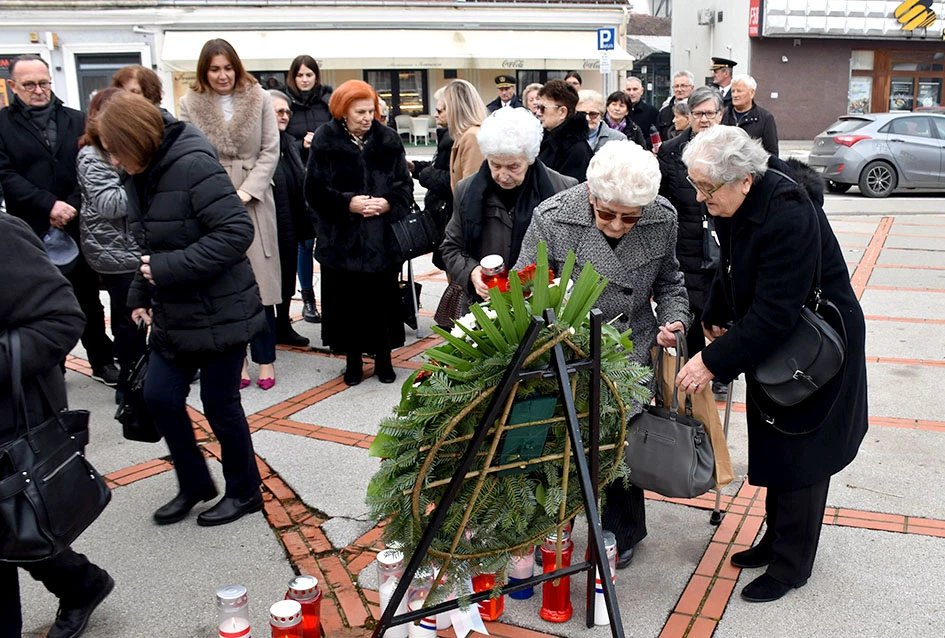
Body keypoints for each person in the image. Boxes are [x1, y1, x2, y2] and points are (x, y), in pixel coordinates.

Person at [677, 125, 867, 602]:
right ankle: (776, 538)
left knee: (802, 452)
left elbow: (776, 312)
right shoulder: (736, 199)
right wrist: (716, 311)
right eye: (696, 185)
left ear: (744, 179)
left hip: (815, 347)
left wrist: (710, 363)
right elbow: (731, 264)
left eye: (707, 188)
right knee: (776, 442)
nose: (700, 198)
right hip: (779, 342)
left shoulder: (789, 212)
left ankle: (791, 565)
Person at [515, 140, 691, 568]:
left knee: (620, 443)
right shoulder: (553, 216)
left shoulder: (662, 216)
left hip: (631, 346)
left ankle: (623, 530)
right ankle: (550, 527)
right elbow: (525, 286)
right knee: (560, 442)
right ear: (591, 194)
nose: (616, 226)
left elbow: (670, 282)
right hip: (568, 346)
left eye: (630, 218)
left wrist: (675, 321)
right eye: (607, 214)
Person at [98, 90, 267, 527]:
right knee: (159, 396)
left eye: (116, 151)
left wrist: (165, 270)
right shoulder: (141, 172)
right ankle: (194, 483)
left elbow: (235, 232)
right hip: (175, 311)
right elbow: (154, 243)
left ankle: (245, 491)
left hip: (221, 308)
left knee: (220, 404)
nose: (114, 161)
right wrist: (140, 292)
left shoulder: (192, 163)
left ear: (136, 139)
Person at [0, 207, 114, 638]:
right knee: (15, 528)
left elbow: (62, 318)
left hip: (10, 426)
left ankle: (81, 584)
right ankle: (81, 583)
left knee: (16, 518)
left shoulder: (3, 235)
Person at [0, 54, 118, 387]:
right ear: (13, 86)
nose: (39, 90)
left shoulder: (77, 119)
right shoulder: (2, 125)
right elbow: (5, 174)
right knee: (37, 302)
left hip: (76, 222)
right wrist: (48, 205)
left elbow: (91, 167)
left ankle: (101, 360)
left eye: (44, 83)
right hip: (31, 227)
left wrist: (70, 205)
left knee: (88, 299)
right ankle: (53, 367)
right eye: (29, 85)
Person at [179, 39, 281, 390]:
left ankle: (266, 359)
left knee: (261, 284)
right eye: (214, 69)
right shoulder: (189, 103)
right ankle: (236, 361)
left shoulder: (260, 97)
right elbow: (186, 153)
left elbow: (270, 149)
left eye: (227, 68)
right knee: (222, 285)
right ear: (204, 72)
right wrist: (216, 194)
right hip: (209, 197)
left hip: (255, 197)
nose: (222, 76)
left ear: (236, 68)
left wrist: (247, 190)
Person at [304, 80, 413, 386]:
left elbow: (404, 186)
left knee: (382, 302)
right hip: (342, 241)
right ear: (343, 112)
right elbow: (313, 191)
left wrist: (388, 203)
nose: (368, 117)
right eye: (360, 112)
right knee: (347, 304)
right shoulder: (326, 139)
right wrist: (346, 204)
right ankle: (352, 361)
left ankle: (384, 359)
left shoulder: (388, 139)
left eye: (371, 111)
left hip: (381, 240)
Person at [440, 107, 577, 306]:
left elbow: (573, 255)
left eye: (513, 166)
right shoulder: (467, 189)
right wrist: (472, 272)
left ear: (530, 158)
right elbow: (451, 247)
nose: (503, 176)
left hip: (542, 305)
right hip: (484, 305)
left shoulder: (563, 189)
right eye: (495, 165)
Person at [76, 87, 147, 400]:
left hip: (136, 246)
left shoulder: (132, 148)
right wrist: (141, 179)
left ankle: (146, 372)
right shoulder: (91, 155)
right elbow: (109, 204)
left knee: (144, 314)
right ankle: (130, 386)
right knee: (128, 319)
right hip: (113, 250)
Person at [657, 86, 724, 372]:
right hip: (685, 245)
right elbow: (662, 200)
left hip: (723, 244)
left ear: (721, 115)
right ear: (690, 116)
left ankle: (721, 372)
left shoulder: (733, 149)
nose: (704, 119)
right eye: (698, 114)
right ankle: (693, 371)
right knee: (690, 312)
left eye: (710, 113)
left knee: (723, 314)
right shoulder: (671, 150)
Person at [283, 54, 331, 324]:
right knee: (304, 242)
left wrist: (321, 140)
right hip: (297, 179)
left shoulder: (327, 101)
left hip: (326, 179)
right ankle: (308, 299)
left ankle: (331, 298)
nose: (304, 80)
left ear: (316, 76)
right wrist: (299, 144)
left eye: (309, 75)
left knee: (328, 239)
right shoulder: (285, 103)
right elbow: (278, 137)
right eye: (300, 75)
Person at [268, 89, 313, 347]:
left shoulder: (288, 144)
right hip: (267, 226)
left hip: (290, 225)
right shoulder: (260, 145)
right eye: (279, 111)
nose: (284, 116)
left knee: (287, 278)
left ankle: (283, 325)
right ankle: (266, 330)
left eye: (287, 112)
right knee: (268, 281)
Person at [408, 87, 453, 269]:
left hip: (450, 216)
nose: (435, 115)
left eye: (439, 110)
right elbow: (438, 166)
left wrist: (425, 174)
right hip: (442, 216)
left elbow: (453, 179)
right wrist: (415, 167)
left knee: (453, 272)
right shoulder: (447, 136)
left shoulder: (459, 139)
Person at [536, 79, 595, 182]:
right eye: (537, 107)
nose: (538, 113)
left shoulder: (576, 151)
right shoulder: (545, 139)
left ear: (562, 112)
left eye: (542, 108)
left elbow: (566, 189)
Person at [444, 79, 489, 189]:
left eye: (445, 107)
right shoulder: (464, 135)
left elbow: (471, 188)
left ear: (455, 108)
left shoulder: (472, 137)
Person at [722, 74, 779, 156]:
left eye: (739, 91)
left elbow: (772, 153)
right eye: (733, 91)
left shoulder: (765, 118)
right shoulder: (723, 115)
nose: (735, 95)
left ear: (752, 93)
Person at [578, 89, 626, 153]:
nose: (587, 118)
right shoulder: (566, 137)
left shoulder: (618, 139)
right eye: (582, 114)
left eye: (593, 114)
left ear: (601, 114)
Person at [657, 70, 695, 141]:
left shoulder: (697, 110)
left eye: (683, 86)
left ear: (692, 88)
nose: (679, 89)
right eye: (676, 86)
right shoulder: (664, 112)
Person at [624, 76, 660, 149]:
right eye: (628, 89)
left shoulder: (652, 112)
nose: (632, 93)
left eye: (635, 89)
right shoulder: (619, 112)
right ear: (624, 91)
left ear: (642, 91)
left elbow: (656, 135)